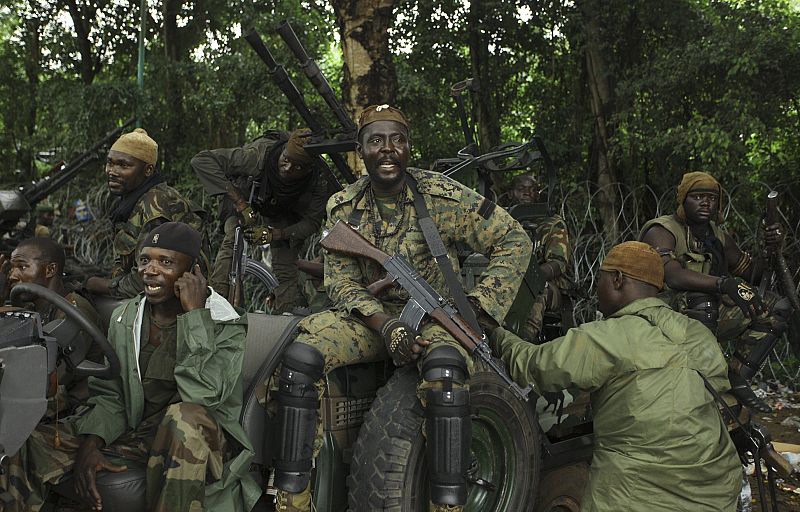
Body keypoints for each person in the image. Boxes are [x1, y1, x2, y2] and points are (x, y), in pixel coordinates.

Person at [269, 105, 531, 512]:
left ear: (409, 148)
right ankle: (293, 497)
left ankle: (447, 505)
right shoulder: (343, 206)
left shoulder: (441, 196)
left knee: (445, 372)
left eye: (397, 140)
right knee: (301, 357)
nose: (387, 150)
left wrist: (478, 310)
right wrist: (388, 326)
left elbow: (515, 239)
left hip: (436, 317)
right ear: (361, 150)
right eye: (376, 141)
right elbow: (340, 282)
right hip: (371, 317)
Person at [0, 222, 259, 512]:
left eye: (166, 262)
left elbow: (201, 396)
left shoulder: (224, 323)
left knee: (184, 417)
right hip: (136, 430)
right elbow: (113, 392)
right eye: (145, 260)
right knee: (20, 441)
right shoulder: (127, 316)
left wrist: (195, 316)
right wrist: (92, 442)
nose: (149, 270)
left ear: (194, 271)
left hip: (198, 438)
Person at [491, 241, 742, 511]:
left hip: (637, 493)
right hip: (716, 489)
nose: (596, 291)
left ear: (618, 279)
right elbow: (717, 397)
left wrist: (496, 333)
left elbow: (535, 367)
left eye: (600, 279)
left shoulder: (607, 337)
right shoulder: (697, 332)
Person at [640, 171, 793, 412]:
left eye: (711, 198)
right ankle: (700, 381)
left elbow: (752, 273)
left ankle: (737, 378)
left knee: (775, 307)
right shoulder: (662, 230)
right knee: (703, 303)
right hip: (661, 316)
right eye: (697, 196)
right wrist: (723, 284)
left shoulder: (717, 235)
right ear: (683, 200)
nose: (705, 202)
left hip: (703, 311)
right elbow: (672, 275)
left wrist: (769, 248)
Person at [191, 129, 335, 311]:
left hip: (284, 213)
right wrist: (240, 203)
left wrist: (276, 234)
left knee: (285, 266)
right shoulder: (258, 155)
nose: (288, 168)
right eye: (286, 160)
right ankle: (216, 307)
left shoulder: (318, 182)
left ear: (308, 169)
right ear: (282, 152)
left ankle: (286, 316)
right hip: (245, 199)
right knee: (233, 242)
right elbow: (202, 160)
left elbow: (311, 223)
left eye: (297, 167)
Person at [85, 128, 208, 299]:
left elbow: (148, 277)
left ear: (148, 170)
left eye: (123, 165)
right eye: (110, 163)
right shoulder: (131, 200)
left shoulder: (155, 205)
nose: (112, 171)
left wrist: (101, 285)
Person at [0, 237, 102, 411]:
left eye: (22, 267)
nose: (12, 276)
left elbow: (48, 381)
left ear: (50, 270)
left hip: (74, 408)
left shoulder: (73, 312)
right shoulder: (32, 306)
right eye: (11, 268)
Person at [506, 173, 573, 340]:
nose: (527, 193)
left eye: (533, 189)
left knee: (537, 287)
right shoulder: (502, 221)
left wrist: (531, 276)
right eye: (521, 189)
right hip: (508, 280)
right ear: (511, 193)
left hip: (549, 289)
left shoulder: (552, 223)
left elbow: (558, 263)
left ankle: (524, 341)